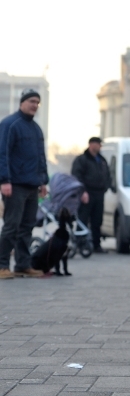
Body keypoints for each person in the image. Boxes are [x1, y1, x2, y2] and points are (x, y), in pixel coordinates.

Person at [0, 89, 49, 279]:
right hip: (15, 185)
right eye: (31, 101)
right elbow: (2, 153)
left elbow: (40, 157)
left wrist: (43, 181)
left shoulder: (36, 129)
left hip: (32, 185)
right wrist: (4, 180)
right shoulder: (9, 124)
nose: (35, 105)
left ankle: (22, 265)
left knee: (27, 227)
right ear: (22, 103)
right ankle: (2, 265)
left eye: (37, 102)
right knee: (11, 226)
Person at [71, 137, 112, 253]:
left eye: (99, 144)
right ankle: (80, 244)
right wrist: (82, 191)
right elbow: (76, 176)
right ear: (91, 145)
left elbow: (108, 175)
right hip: (86, 193)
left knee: (97, 220)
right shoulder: (82, 160)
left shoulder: (102, 160)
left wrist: (106, 187)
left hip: (99, 193)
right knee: (83, 219)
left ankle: (96, 245)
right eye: (97, 144)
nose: (99, 147)